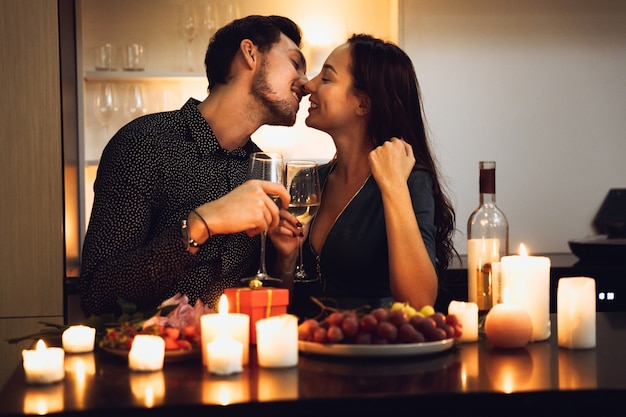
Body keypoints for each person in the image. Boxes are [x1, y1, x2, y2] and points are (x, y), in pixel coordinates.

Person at [79, 15, 308, 317]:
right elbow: (98, 297)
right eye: (295, 62)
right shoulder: (145, 143)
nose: (305, 83)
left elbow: (269, 315)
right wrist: (200, 224)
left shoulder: (263, 171)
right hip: (153, 359)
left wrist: (285, 260)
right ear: (250, 53)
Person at [275, 34, 457, 318]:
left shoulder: (409, 181)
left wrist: (393, 186)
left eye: (326, 78)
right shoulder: (309, 182)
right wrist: (286, 260)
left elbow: (420, 302)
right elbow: (283, 308)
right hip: (311, 352)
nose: (308, 85)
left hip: (377, 354)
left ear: (363, 104)